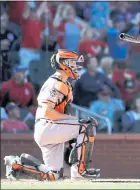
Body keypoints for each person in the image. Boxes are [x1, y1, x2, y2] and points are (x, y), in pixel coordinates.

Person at [4, 49, 100, 181]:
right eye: (72, 62)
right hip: (47, 126)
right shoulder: (55, 83)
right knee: (86, 126)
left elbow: (60, 112)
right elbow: (47, 111)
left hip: (49, 128)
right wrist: (75, 121)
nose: (76, 66)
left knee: (53, 175)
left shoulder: (64, 83)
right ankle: (79, 172)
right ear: (63, 64)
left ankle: (16, 164)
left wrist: (73, 136)